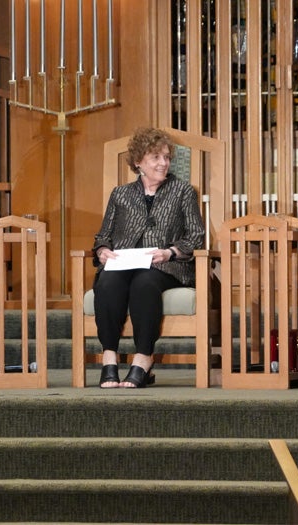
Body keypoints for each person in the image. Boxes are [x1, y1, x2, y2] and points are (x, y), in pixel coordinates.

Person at [92, 127, 204, 388]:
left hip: (167, 267)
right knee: (107, 283)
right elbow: (103, 235)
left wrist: (170, 252)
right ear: (138, 162)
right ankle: (109, 358)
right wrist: (102, 251)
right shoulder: (120, 194)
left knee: (144, 283)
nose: (163, 163)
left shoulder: (183, 191)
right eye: (156, 157)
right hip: (124, 264)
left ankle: (143, 359)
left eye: (166, 157)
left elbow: (196, 235)